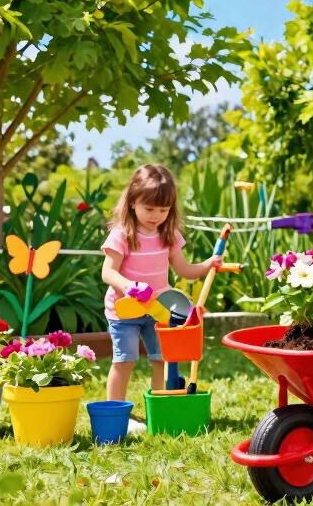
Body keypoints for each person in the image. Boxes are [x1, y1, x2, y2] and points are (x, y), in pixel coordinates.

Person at [100, 164, 222, 432]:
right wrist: (128, 285)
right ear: (133, 202)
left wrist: (208, 264)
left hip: (159, 310)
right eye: (150, 208)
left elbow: (184, 270)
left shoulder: (169, 235)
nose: (156, 216)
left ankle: (161, 410)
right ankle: (116, 416)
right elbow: (108, 272)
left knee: (162, 359)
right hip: (125, 310)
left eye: (163, 210)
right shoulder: (122, 234)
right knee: (124, 360)